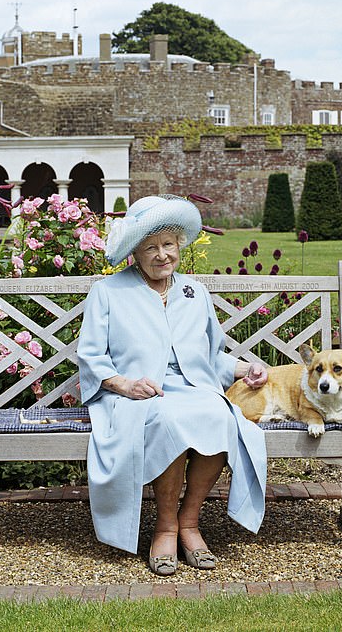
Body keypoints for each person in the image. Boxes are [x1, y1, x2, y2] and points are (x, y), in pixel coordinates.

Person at [77, 195, 269, 576]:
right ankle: (165, 525)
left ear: (180, 244)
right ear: (134, 252)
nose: (162, 255)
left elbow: (212, 357)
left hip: (193, 387)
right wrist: (125, 385)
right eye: (150, 247)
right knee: (168, 418)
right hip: (135, 394)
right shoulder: (109, 292)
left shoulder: (194, 293)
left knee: (218, 414)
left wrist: (245, 367)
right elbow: (92, 357)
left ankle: (189, 522)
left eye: (168, 244)